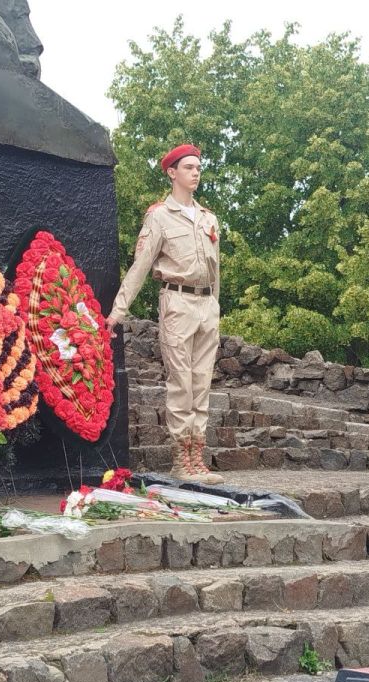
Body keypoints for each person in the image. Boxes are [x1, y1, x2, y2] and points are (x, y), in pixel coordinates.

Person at [106, 144, 224, 484]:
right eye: (188, 167)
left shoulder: (208, 218)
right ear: (172, 173)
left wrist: (215, 306)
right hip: (177, 301)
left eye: (198, 167)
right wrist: (118, 311)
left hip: (206, 304)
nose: (196, 173)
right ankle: (181, 459)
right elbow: (140, 266)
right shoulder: (159, 216)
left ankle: (197, 458)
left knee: (201, 382)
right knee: (181, 381)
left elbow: (216, 271)